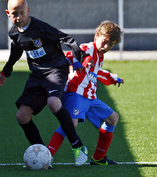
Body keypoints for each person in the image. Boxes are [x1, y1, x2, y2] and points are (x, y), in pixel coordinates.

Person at [0, 0, 91, 166]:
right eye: (14, 14)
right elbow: (16, 51)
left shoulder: (40, 27)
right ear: (7, 14)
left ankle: (78, 146)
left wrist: (79, 57)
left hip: (56, 69)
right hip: (37, 75)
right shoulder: (14, 33)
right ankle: (43, 154)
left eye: (22, 13)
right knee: (22, 116)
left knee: (54, 103)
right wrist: (6, 71)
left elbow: (67, 39)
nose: (19, 17)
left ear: (28, 11)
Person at [47, 20, 124, 165]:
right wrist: (77, 63)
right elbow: (69, 55)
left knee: (113, 118)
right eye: (105, 42)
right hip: (75, 94)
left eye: (111, 45)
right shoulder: (87, 48)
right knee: (71, 123)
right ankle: (48, 155)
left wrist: (114, 78)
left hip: (89, 97)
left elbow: (96, 72)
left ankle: (99, 158)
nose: (106, 47)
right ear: (97, 35)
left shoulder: (99, 56)